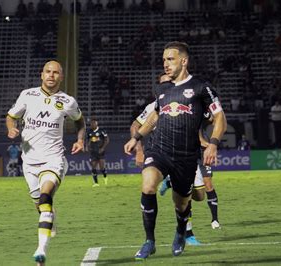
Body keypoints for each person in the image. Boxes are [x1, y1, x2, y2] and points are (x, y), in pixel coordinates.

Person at [124, 41, 227, 259]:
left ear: (184, 61)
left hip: (186, 156)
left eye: (170, 59)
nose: (165, 64)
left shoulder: (201, 87)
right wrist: (137, 137)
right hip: (159, 149)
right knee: (149, 184)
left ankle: (180, 232)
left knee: (182, 204)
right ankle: (149, 241)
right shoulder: (162, 88)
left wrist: (214, 143)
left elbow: (220, 118)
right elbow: (155, 116)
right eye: (163, 60)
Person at [6, 60, 85, 265]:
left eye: (56, 72)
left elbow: (79, 120)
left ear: (61, 77)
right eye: (48, 72)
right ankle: (50, 218)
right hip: (29, 161)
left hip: (53, 159)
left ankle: (41, 251)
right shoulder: (27, 95)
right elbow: (11, 116)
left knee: (45, 196)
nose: (51, 75)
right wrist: (11, 128)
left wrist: (80, 139)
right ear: (42, 75)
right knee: (40, 205)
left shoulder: (67, 101)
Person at [86, 119, 109, 187]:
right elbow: (88, 140)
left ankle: (105, 178)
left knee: (102, 167)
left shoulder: (101, 131)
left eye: (93, 123)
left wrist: (102, 148)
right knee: (93, 167)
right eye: (91, 124)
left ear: (96, 124)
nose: (92, 125)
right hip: (93, 152)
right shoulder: (89, 132)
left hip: (100, 152)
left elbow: (107, 139)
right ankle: (96, 183)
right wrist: (87, 147)